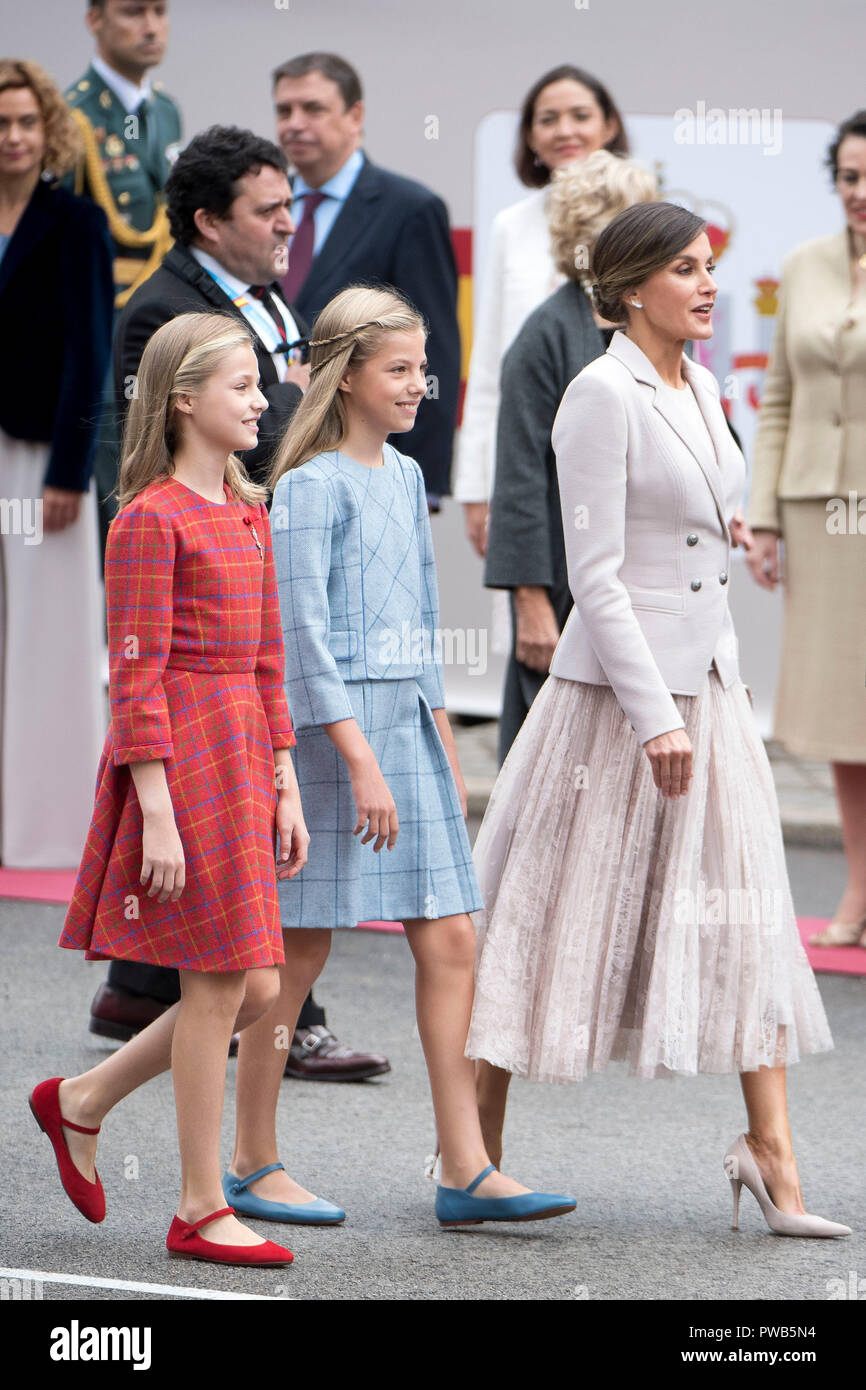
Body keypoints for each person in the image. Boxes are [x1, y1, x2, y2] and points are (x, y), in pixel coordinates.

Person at [465, 203, 850, 1239]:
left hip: (709, 684)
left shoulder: (702, 382)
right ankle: (472, 1157)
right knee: (543, 915)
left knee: (743, 913)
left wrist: (719, 523)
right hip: (615, 703)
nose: (708, 284)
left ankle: (772, 1157)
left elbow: (687, 509)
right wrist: (651, 719)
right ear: (632, 287)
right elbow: (591, 574)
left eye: (709, 265)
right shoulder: (598, 393)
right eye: (686, 269)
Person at [215, 284, 576, 1231]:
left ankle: (466, 1166)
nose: (422, 384)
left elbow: (419, 617)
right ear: (346, 378)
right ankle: (251, 1161)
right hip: (330, 739)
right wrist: (359, 757)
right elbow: (300, 637)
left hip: (405, 726)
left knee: (454, 937)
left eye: (424, 367)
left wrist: (441, 735)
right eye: (400, 369)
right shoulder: (305, 487)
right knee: (296, 954)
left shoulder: (408, 476)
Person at [90, 125, 389, 1082]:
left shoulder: (265, 296)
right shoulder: (165, 314)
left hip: (251, 581)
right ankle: (207, 1139)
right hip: (194, 621)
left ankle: (138, 1014)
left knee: (238, 926)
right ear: (210, 221)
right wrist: (298, 402)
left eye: (291, 205)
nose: (287, 224)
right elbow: (190, 459)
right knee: (221, 921)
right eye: (268, 210)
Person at [32, 312, 308, 1265]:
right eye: (243, 386)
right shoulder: (148, 517)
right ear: (185, 399)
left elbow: (271, 661)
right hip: (181, 759)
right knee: (220, 983)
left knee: (256, 988)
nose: (261, 400)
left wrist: (284, 779)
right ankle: (197, 1205)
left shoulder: (245, 506)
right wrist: (155, 808)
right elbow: (136, 673)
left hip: (239, 753)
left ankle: (81, 1099)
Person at [483, 151, 656, 766]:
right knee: (553, 769)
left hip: (635, 585)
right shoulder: (545, 336)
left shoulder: (647, 329)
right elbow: (519, 477)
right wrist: (529, 601)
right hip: (563, 587)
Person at [746, 110, 866, 950]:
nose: (860, 193)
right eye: (850, 176)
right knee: (840, 714)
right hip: (817, 512)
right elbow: (780, 398)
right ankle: (858, 891)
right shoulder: (803, 265)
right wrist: (761, 518)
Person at [0, 59, 113, 868]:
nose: (12, 138)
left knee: (52, 640)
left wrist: (70, 469)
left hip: (46, 454)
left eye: (26, 123)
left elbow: (91, 349)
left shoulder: (75, 222)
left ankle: (46, 829)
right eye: (1, 124)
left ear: (50, 131)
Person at [453, 65, 628, 557]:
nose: (565, 130)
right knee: (531, 623)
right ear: (530, 135)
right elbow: (489, 362)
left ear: (609, 125)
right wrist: (477, 484)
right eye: (547, 119)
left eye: (580, 115)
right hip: (524, 463)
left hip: (623, 468)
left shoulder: (645, 218)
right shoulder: (512, 225)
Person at [272, 52, 460, 503]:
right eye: (284, 110)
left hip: (369, 472)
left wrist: (421, 480)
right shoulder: (267, 206)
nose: (294, 124)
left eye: (313, 108)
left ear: (355, 115)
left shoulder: (409, 209)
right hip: (270, 460)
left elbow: (431, 349)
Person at [65, 0, 182, 555]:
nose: (151, 25)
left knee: (170, 451)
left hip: (165, 322)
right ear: (95, 19)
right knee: (115, 459)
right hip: (104, 320)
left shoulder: (166, 111)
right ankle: (123, 619)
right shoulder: (72, 117)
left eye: (159, 11)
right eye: (134, 11)